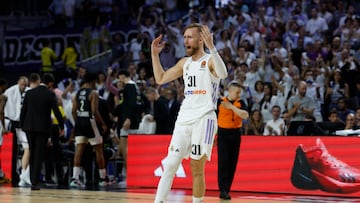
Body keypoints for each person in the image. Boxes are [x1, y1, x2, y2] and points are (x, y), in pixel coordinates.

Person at [151, 23, 228, 203]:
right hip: (184, 119)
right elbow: (160, 78)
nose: (185, 40)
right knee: (170, 165)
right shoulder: (184, 63)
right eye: (184, 37)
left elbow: (223, 74)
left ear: (201, 39)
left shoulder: (209, 60)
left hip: (204, 118)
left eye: (189, 37)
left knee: (196, 167)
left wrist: (212, 48)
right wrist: (155, 55)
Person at [20, 73, 64, 190]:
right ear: (49, 83)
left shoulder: (29, 93)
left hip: (29, 127)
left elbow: (23, 111)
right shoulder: (50, 94)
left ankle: (32, 179)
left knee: (31, 151)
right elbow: (57, 111)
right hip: (43, 128)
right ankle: (34, 182)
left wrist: (22, 126)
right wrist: (62, 125)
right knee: (38, 154)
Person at [70, 73, 109, 187]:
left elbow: (73, 111)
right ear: (92, 81)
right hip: (89, 122)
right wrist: (102, 124)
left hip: (79, 121)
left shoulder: (77, 93)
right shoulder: (93, 93)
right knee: (98, 149)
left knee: (79, 149)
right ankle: (103, 178)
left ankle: (75, 178)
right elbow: (94, 111)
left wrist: (77, 121)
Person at [216, 81, 248, 200]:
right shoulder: (220, 102)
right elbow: (214, 119)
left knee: (232, 162)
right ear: (230, 91)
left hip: (235, 133)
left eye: (240, 93)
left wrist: (232, 107)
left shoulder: (241, 103)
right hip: (223, 133)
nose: (238, 95)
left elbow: (245, 115)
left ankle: (227, 189)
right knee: (223, 162)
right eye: (237, 92)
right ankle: (222, 189)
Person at [0, 76, 30, 186]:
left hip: (23, 123)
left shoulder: (28, 91)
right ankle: (11, 174)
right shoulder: (9, 91)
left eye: (25, 85)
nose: (23, 86)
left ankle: (21, 174)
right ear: (18, 82)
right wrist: (4, 126)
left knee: (25, 148)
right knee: (11, 150)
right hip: (11, 122)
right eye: (22, 84)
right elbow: (2, 110)